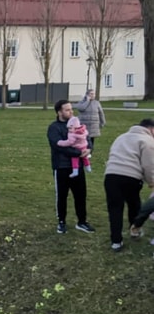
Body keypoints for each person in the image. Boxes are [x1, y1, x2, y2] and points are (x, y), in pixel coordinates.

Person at [103, 118, 154, 251]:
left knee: (115, 209)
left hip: (111, 175)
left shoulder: (121, 137)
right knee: (134, 204)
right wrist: (152, 181)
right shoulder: (147, 140)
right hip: (131, 177)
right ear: (151, 129)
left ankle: (116, 241)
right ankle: (134, 230)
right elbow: (149, 165)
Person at [48, 100, 95, 234]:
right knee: (62, 196)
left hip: (78, 167)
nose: (71, 111)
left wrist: (89, 150)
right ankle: (61, 222)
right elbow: (58, 146)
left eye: (71, 109)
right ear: (59, 112)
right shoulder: (54, 128)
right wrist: (79, 153)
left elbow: (87, 139)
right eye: (67, 109)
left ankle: (82, 222)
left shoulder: (77, 124)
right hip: (62, 167)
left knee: (81, 195)